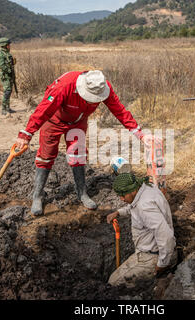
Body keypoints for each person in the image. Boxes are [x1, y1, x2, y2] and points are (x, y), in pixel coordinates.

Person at [15, 70, 146, 215]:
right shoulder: (65, 86)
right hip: (54, 120)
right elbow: (43, 110)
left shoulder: (103, 87)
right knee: (46, 155)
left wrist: (140, 134)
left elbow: (119, 111)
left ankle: (82, 193)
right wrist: (25, 134)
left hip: (78, 122)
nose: (93, 101)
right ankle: (38, 196)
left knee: (78, 155)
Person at [106, 173, 177, 288]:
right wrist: (119, 212)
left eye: (123, 195)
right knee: (114, 278)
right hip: (148, 252)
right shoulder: (145, 189)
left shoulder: (145, 207)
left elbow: (165, 236)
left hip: (154, 257)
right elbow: (134, 205)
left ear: (133, 191)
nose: (121, 198)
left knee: (113, 283)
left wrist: (162, 264)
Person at [0, 37, 16, 115]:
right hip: (5, 75)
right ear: (5, 45)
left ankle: (8, 107)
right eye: (8, 44)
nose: (9, 46)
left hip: (10, 75)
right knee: (7, 91)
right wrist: (9, 70)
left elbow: (9, 64)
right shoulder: (0, 54)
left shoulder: (7, 53)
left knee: (9, 91)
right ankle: (3, 109)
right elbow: (1, 66)